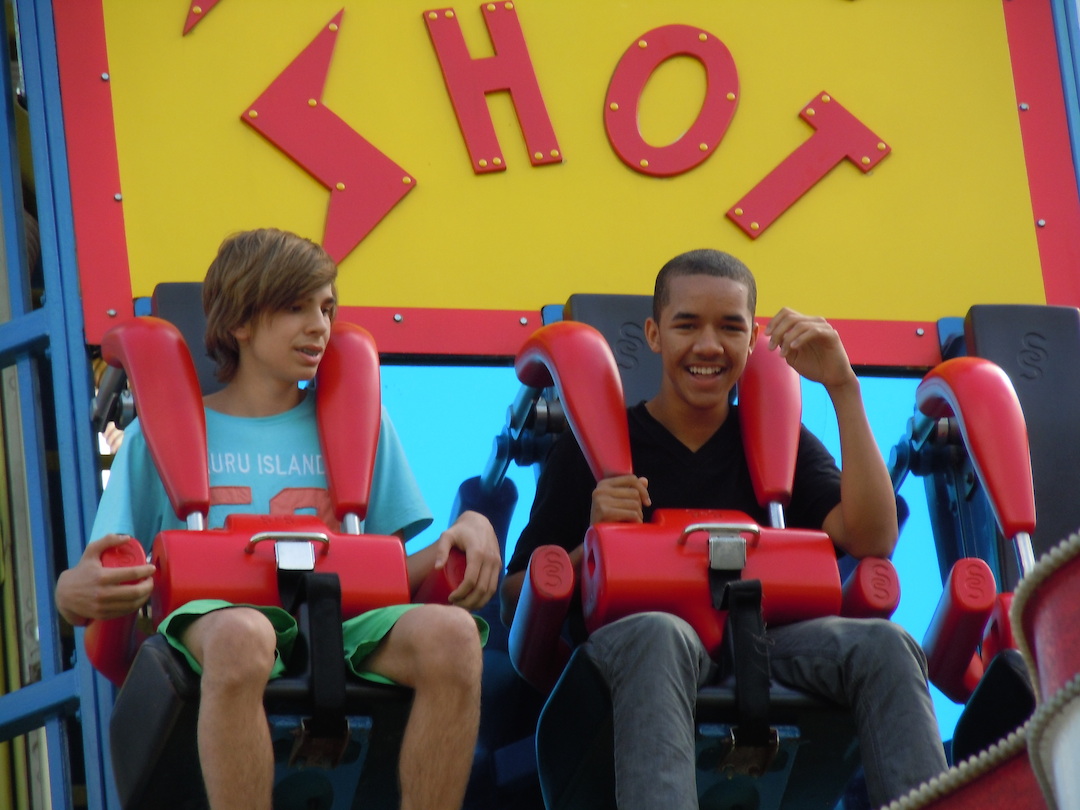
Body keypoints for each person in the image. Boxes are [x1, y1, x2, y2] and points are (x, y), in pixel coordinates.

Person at [55, 228, 502, 810]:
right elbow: (99, 580)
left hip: (338, 624)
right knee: (246, 635)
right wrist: (71, 593)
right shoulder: (156, 437)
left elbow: (388, 580)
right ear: (241, 321)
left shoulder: (360, 424)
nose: (319, 326)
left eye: (326, 308)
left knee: (456, 636)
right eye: (296, 308)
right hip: (215, 627)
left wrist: (466, 531)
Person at [500, 248, 948, 809]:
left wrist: (843, 385)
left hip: (760, 647)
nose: (708, 346)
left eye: (730, 328)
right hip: (637, 651)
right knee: (663, 633)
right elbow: (515, 595)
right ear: (655, 334)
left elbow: (872, 537)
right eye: (687, 325)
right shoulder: (591, 449)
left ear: (752, 339)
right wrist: (590, 544)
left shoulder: (777, 442)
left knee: (887, 645)